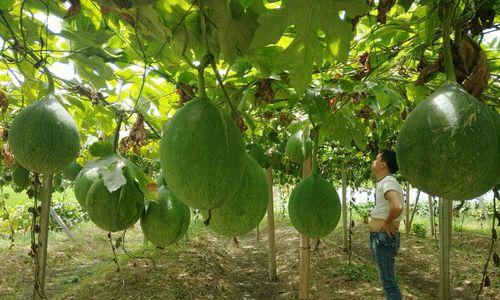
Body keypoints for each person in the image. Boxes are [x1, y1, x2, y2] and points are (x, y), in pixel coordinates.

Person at [370, 150, 404, 300]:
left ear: (383, 164)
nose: (373, 162)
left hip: (383, 237)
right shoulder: (385, 182)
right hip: (381, 237)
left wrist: (387, 222)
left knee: (389, 284)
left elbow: (397, 206)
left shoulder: (388, 182)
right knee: (387, 281)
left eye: (375, 160)